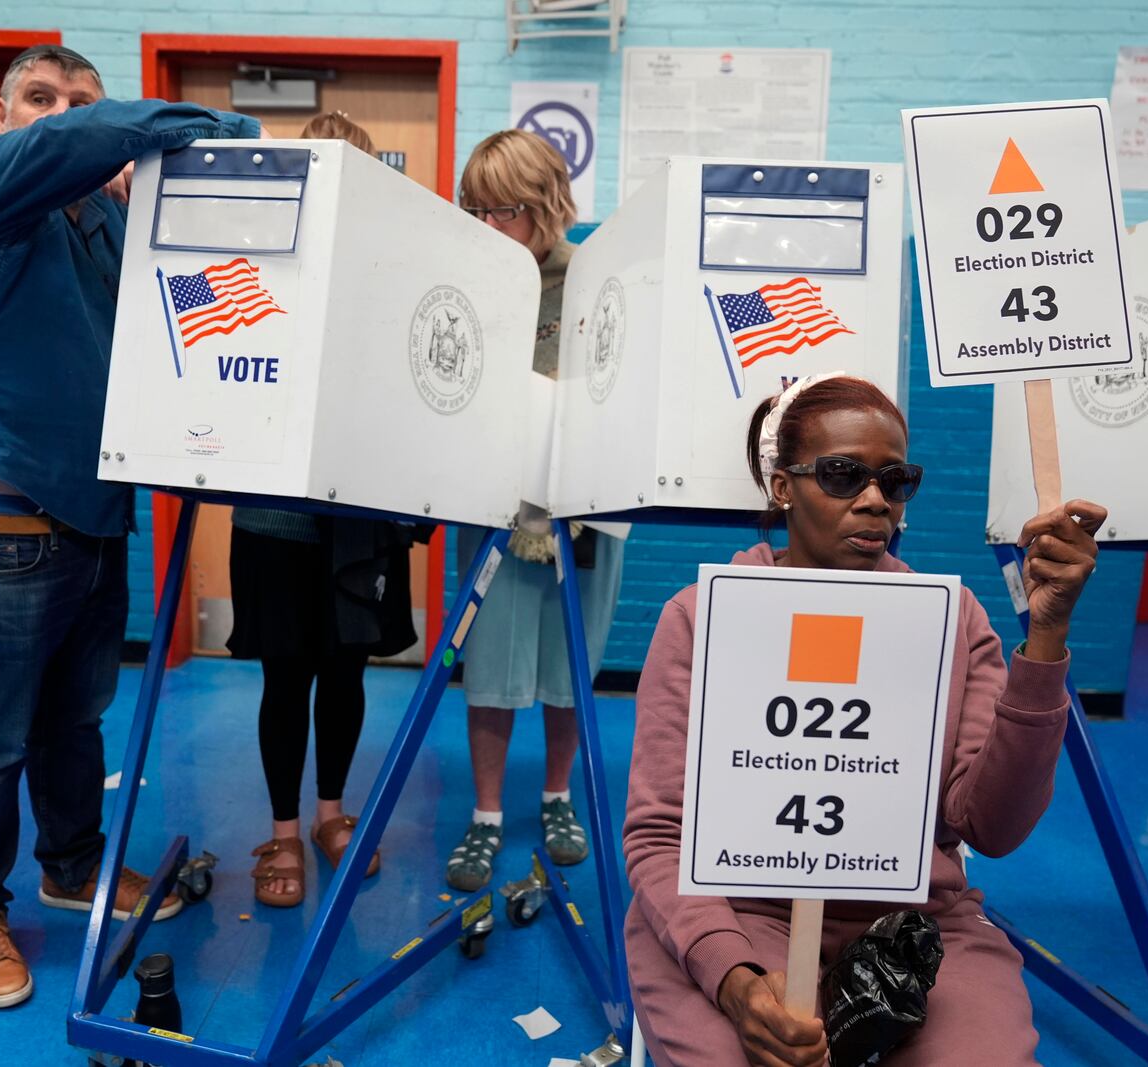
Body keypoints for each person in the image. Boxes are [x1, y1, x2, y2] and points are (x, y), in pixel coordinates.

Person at [623, 372, 1107, 1066]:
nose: (875, 499)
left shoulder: (952, 622)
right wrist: (731, 978)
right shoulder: (702, 619)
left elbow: (993, 828)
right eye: (843, 474)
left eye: (894, 479)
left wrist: (1047, 635)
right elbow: (658, 833)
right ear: (782, 486)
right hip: (739, 911)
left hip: (912, 920)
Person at [0, 44, 260, 1008]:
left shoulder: (105, 219)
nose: (57, 113)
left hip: (93, 515)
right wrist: (230, 134)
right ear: (0, 111)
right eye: (39, 97)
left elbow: (187, 326)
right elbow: (86, 141)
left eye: (75, 100)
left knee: (73, 717)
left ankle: (71, 866)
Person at [232, 113, 415, 909]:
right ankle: (280, 827)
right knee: (284, 676)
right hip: (273, 516)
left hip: (360, 519)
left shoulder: (392, 268)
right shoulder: (263, 261)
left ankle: (330, 815)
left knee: (345, 670)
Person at [445, 130, 628, 892]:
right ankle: (487, 814)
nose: (489, 228)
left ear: (548, 205)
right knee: (489, 667)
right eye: (476, 210)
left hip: (583, 510)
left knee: (568, 666)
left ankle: (556, 798)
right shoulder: (463, 277)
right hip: (493, 505)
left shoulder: (598, 279)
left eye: (506, 211)